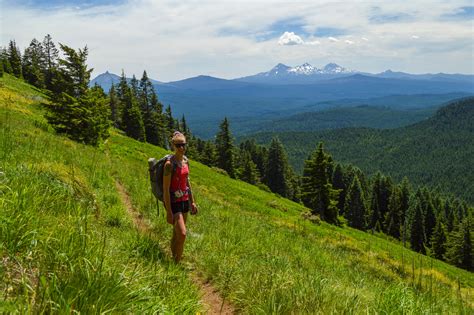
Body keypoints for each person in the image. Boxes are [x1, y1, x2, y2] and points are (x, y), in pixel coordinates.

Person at [163, 131, 198, 263]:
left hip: (184, 201)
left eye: (183, 144)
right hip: (174, 202)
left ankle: (174, 258)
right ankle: (176, 263)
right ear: (173, 146)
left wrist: (192, 202)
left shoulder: (185, 161)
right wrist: (168, 211)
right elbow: (166, 189)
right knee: (182, 234)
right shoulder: (169, 165)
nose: (182, 148)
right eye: (178, 145)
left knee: (177, 234)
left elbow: (187, 182)